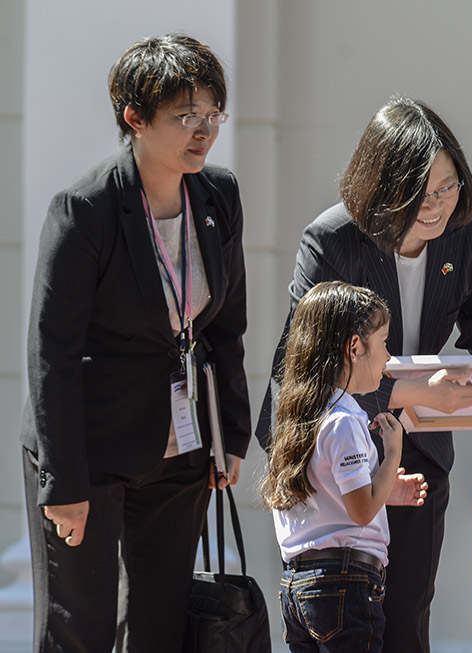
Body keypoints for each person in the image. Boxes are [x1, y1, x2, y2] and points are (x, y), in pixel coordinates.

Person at [255, 96, 472, 653]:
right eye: (420, 194)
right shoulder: (331, 240)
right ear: (381, 190)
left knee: (406, 621)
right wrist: (409, 392)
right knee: (345, 626)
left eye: (448, 187)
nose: (438, 206)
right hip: (336, 467)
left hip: (420, 456)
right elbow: (298, 373)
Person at [20, 34, 251, 652]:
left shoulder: (218, 195)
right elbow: (53, 355)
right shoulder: (86, 209)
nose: (203, 131)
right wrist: (63, 484)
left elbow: (226, 327)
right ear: (135, 118)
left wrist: (230, 430)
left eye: (211, 115)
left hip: (180, 445)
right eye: (184, 116)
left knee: (159, 623)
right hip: (88, 447)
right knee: (81, 627)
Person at [263, 281, 428, 652]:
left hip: (298, 586)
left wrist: (385, 488)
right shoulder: (343, 421)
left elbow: (331, 497)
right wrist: (393, 454)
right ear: (355, 347)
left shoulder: (298, 417)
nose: (388, 356)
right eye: (384, 342)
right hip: (345, 584)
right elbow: (361, 510)